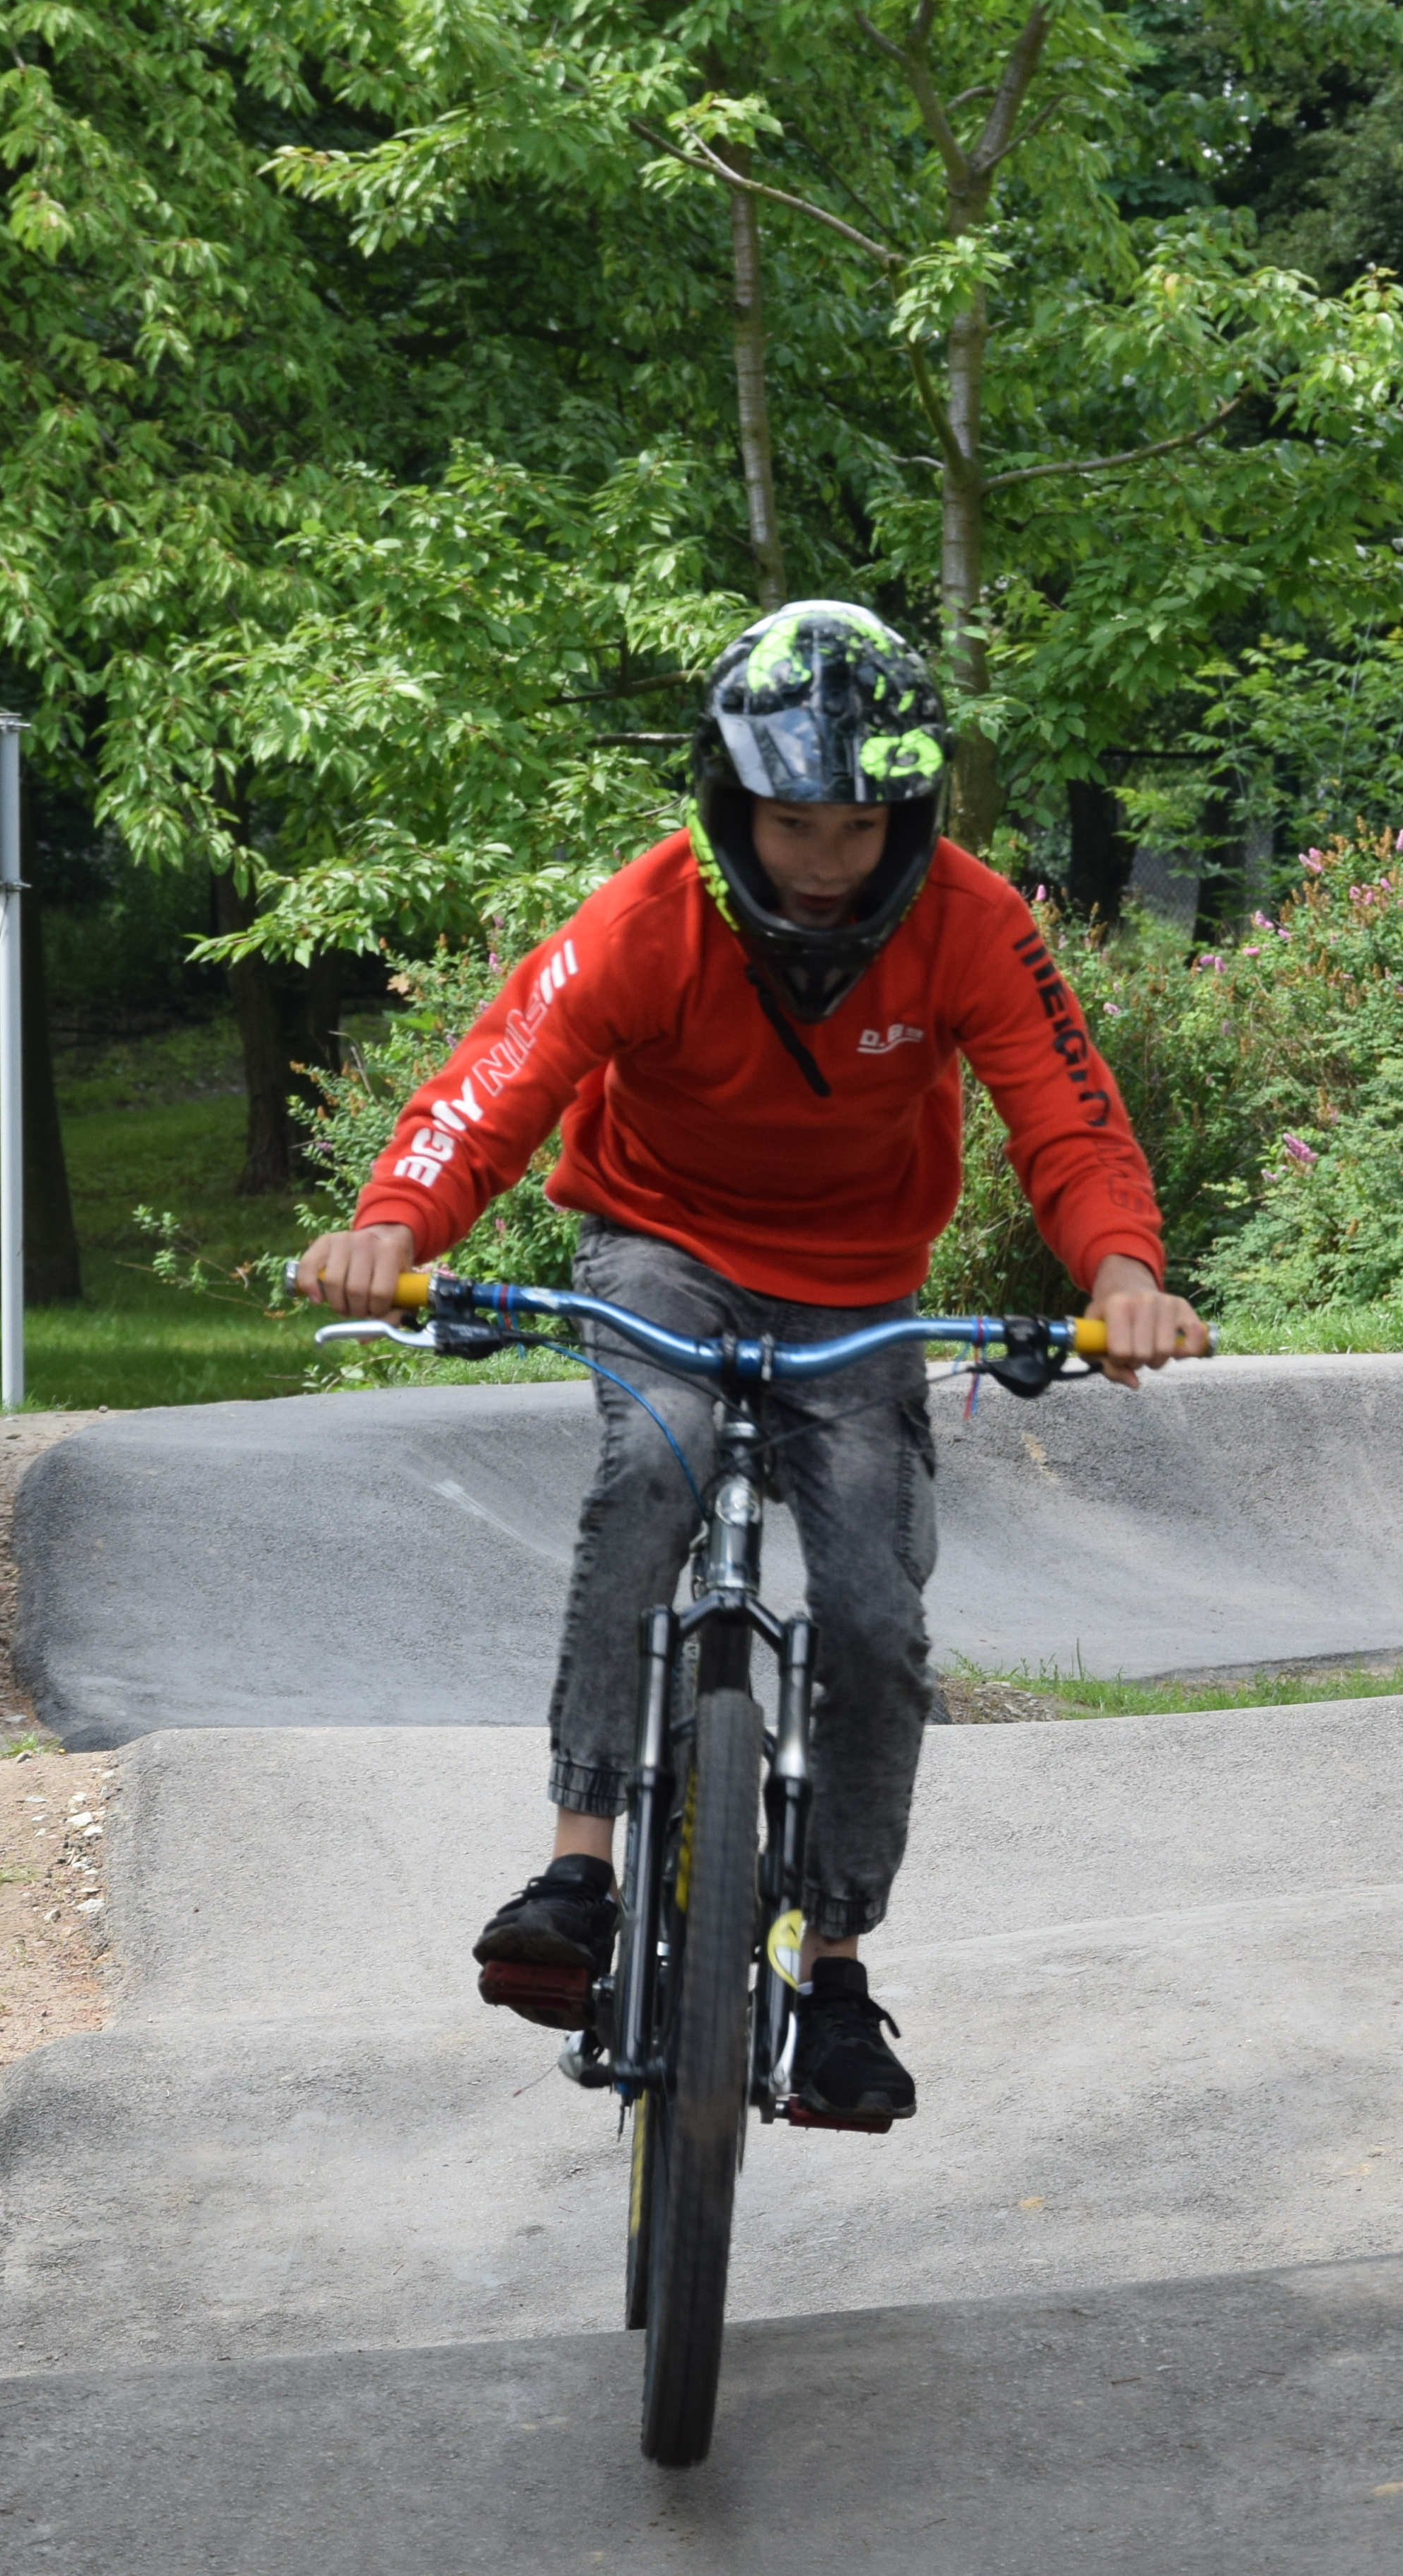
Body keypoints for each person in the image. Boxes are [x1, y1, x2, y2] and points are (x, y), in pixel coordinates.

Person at [294, 600, 1206, 2126]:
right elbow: (502, 1078)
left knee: (874, 1612)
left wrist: (1123, 1271)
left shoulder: (971, 920)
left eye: (860, 826)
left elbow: (1066, 1108)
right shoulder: (651, 915)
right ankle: (579, 1871)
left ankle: (832, 1969)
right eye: (793, 824)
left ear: (910, 812)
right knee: (650, 1471)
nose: (827, 860)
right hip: (662, 1247)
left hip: (858, 1289)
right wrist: (392, 1224)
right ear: (733, 803)